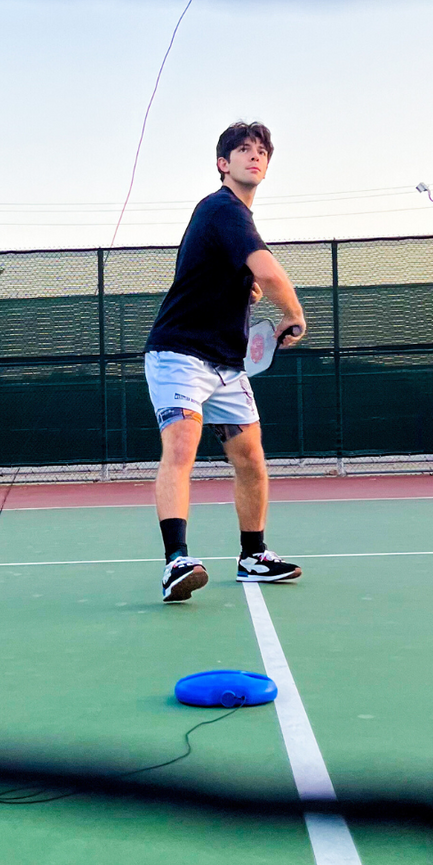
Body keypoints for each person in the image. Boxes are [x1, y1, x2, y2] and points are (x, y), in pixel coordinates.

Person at [143, 121, 307, 602]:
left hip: (227, 365)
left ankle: (253, 556)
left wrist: (244, 287)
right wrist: (293, 312)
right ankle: (176, 562)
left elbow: (236, 275)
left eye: (261, 152)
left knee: (251, 458)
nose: (254, 157)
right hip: (179, 355)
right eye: (243, 150)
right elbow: (268, 270)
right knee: (181, 446)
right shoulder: (223, 209)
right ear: (223, 164)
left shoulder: (234, 220)